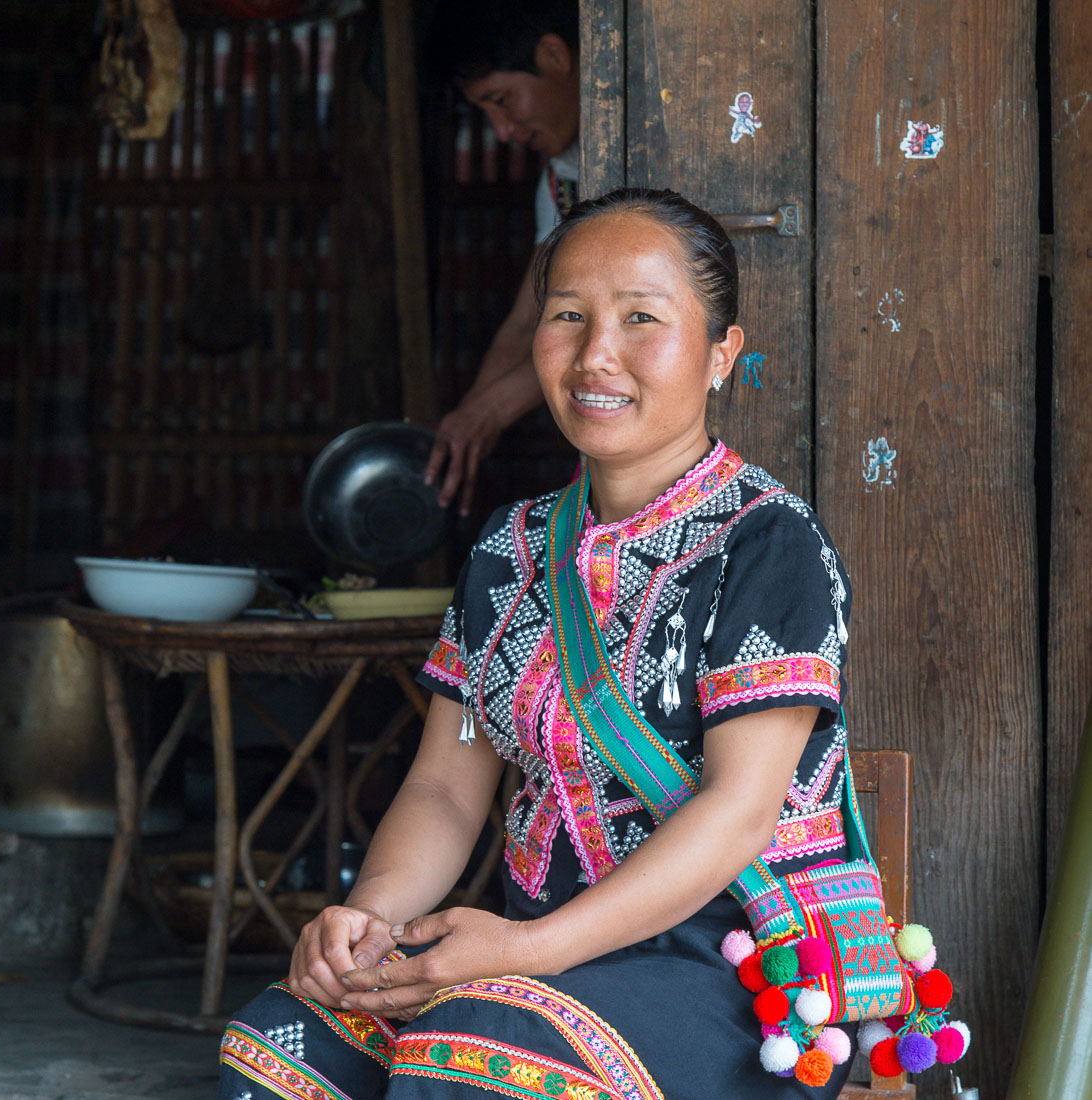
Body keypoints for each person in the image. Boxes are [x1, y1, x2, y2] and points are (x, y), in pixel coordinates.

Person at [218, 188, 856, 1099]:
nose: (597, 354)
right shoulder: (506, 550)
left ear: (723, 354)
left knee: (467, 1054)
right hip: (535, 971)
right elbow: (444, 786)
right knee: (281, 1048)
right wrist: (366, 921)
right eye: (568, 316)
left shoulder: (768, 544)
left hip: (737, 974)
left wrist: (525, 950)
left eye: (642, 317)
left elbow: (740, 813)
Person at [423, 0, 580, 517]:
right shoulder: (560, 181)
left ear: (555, 56)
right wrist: (466, 425)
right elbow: (526, 322)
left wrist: (490, 411)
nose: (503, 131)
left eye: (502, 100)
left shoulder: (650, 152)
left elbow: (601, 330)